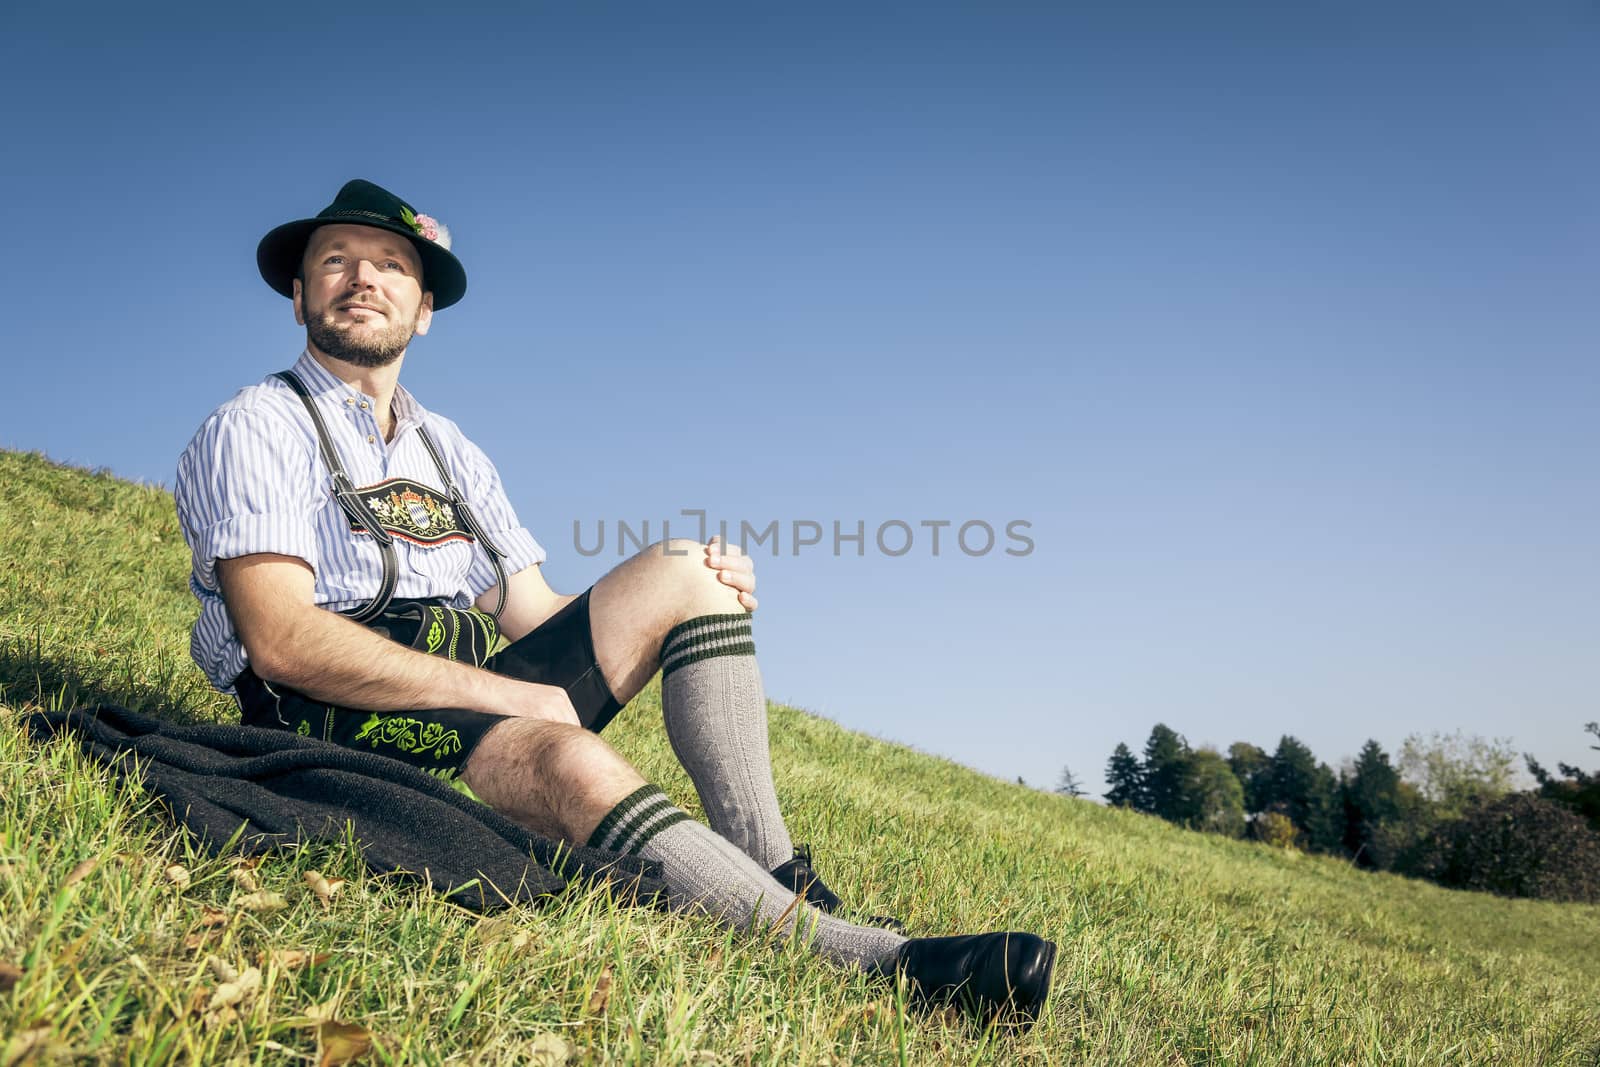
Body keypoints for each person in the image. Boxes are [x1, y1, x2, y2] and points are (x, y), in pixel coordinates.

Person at [174, 178, 1056, 1023]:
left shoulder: (449, 449)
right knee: (570, 758)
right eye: (336, 259)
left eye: (391, 264)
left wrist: (697, 591)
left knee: (688, 565)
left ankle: (774, 868)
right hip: (326, 710)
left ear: (423, 307)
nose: (364, 277)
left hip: (469, 681)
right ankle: (881, 962)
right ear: (299, 296)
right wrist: (510, 697)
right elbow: (282, 640)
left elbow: (530, 610)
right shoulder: (257, 423)